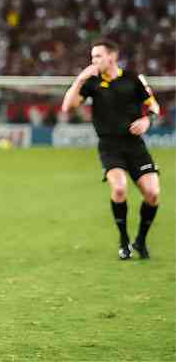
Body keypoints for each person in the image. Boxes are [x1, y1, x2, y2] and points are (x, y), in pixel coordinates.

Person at [61, 39, 160, 260]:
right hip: (109, 146)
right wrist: (79, 80)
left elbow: (154, 106)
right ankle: (123, 240)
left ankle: (140, 241)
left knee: (152, 194)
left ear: (112, 57)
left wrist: (146, 121)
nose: (93, 61)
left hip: (135, 146)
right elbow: (67, 106)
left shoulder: (133, 79)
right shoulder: (92, 82)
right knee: (119, 189)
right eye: (92, 57)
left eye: (97, 56)